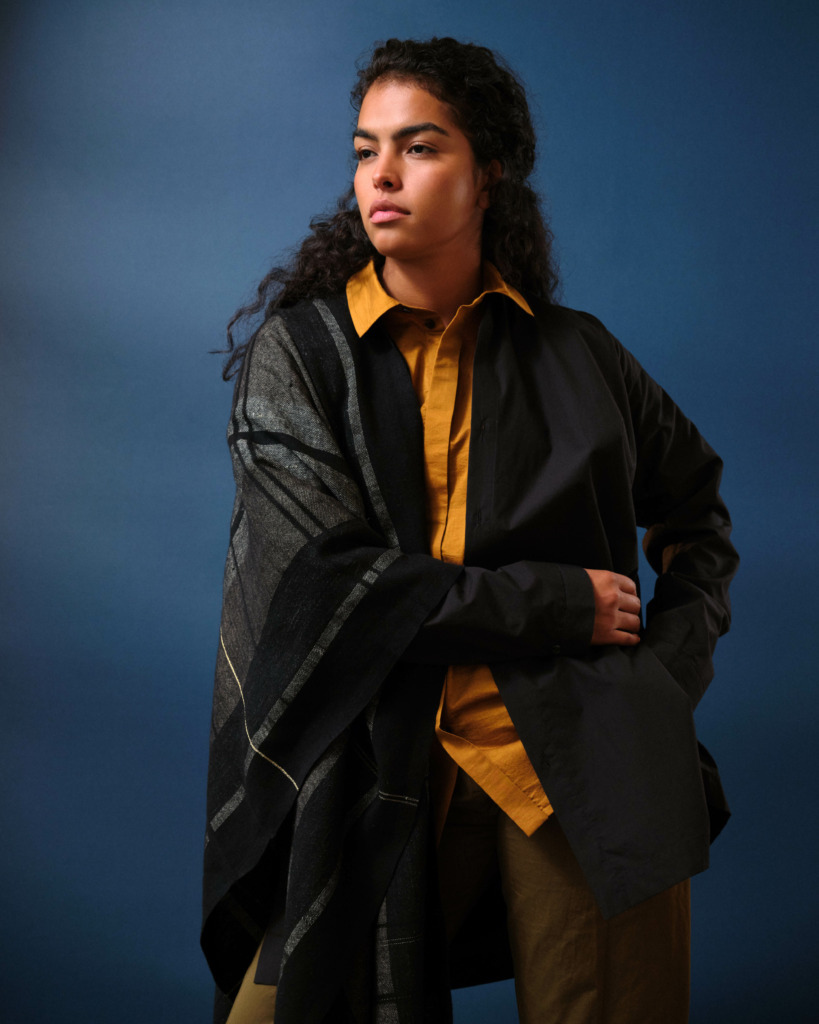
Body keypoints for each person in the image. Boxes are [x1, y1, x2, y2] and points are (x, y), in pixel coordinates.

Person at [202, 37, 738, 1024]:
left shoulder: (577, 354)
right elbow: (325, 580)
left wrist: (659, 685)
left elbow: (698, 511)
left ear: (488, 173)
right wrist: (557, 604)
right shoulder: (304, 357)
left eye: (419, 147)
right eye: (365, 151)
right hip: (379, 762)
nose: (382, 176)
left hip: (585, 764)